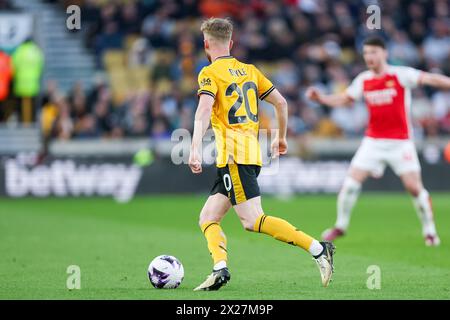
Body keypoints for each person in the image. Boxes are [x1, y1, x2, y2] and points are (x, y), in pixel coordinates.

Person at [188, 18, 335, 291]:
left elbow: (204, 111)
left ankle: (318, 249)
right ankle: (220, 268)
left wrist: (195, 147)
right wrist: (281, 137)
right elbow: (281, 101)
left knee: (252, 220)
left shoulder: (209, 73)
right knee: (208, 217)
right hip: (248, 154)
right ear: (231, 43)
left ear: (206, 44)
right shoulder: (250, 71)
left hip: (234, 156)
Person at [306, 37, 450, 246]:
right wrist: (322, 99)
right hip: (373, 141)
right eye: (366, 53)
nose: (369, 57)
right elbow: (345, 98)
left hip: (400, 142)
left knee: (414, 188)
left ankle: (429, 231)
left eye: (373, 52)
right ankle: (340, 225)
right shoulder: (364, 80)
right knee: (350, 184)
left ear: (384, 53)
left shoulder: (400, 75)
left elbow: (431, 79)